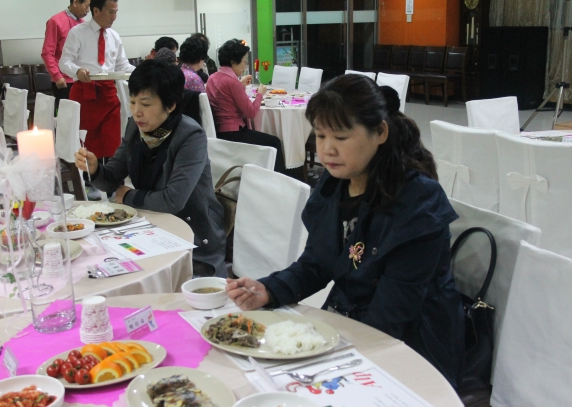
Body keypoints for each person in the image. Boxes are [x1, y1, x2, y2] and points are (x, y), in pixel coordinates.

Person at [226, 75, 465, 388]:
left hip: (413, 347)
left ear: (380, 132)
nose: (327, 150)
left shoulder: (418, 202)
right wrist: (269, 290)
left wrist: (326, 358)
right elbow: (317, 262)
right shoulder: (336, 181)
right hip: (354, 325)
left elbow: (392, 314)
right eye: (320, 135)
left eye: (340, 137)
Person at [74, 60, 226, 278]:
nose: (137, 112)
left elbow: (172, 201)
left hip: (192, 239)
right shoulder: (135, 129)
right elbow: (113, 177)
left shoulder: (190, 136)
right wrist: (96, 169)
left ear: (171, 105)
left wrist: (128, 196)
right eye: (133, 102)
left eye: (145, 104)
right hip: (149, 231)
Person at [59, 0, 135, 162]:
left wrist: (143, 71)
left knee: (112, 141)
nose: (114, 17)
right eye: (110, 12)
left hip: (109, 94)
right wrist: (77, 70)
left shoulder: (114, 36)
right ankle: (88, 176)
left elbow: (122, 65)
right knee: (87, 143)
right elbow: (64, 62)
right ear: (96, 11)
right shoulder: (77, 32)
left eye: (116, 12)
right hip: (85, 93)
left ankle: (110, 175)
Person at [206, 39, 285, 173]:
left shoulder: (212, 78)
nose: (245, 65)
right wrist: (260, 94)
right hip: (234, 133)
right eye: (244, 61)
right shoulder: (232, 82)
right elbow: (251, 112)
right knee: (274, 142)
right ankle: (278, 180)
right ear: (233, 62)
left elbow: (225, 98)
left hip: (219, 131)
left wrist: (240, 85)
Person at [41, 0, 90, 106]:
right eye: (86, 6)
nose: (88, 10)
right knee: (65, 114)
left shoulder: (83, 24)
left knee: (82, 113)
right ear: (75, 2)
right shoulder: (55, 21)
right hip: (63, 81)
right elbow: (47, 53)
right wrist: (56, 75)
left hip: (80, 79)